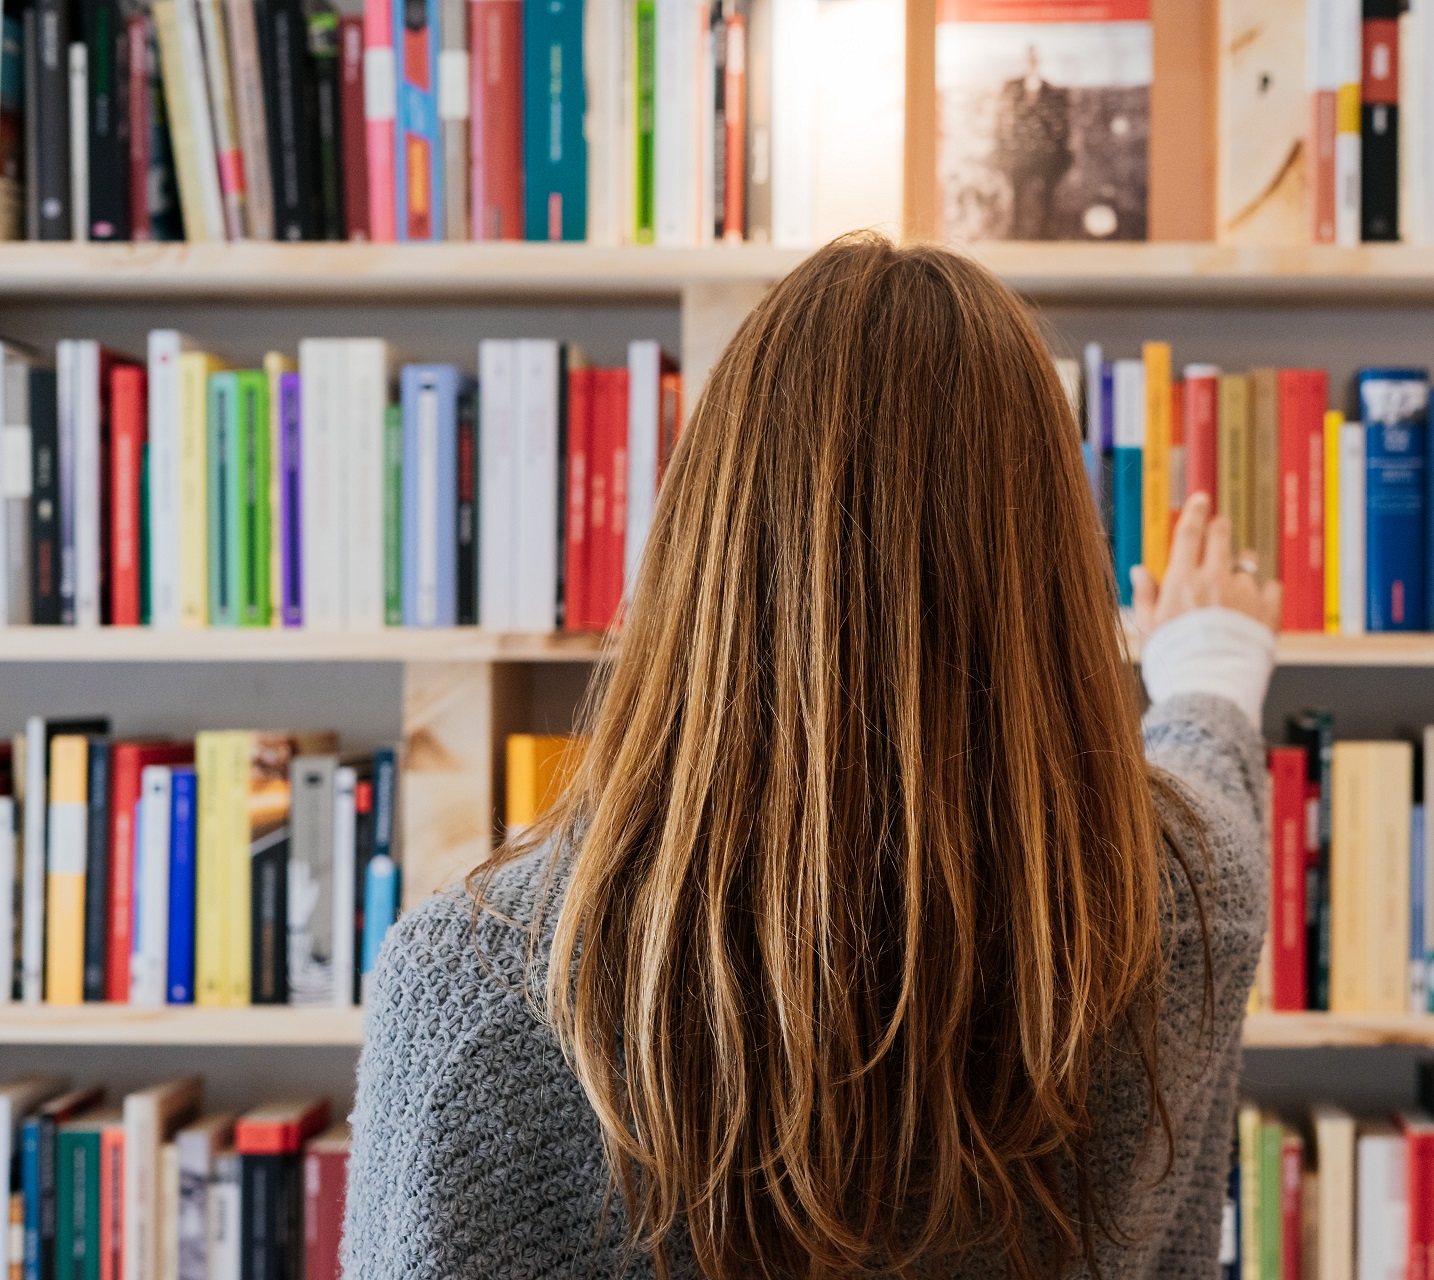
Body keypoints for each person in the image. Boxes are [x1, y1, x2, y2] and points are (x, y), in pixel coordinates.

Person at [343, 235, 1277, 1279]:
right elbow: (1210, 782)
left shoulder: (477, 995)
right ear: (1052, 569)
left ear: (704, 547)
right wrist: (1211, 656)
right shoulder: (1182, 917)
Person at [995, 45, 1072, 239]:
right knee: (1017, 199)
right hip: (1018, 156)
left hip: (1044, 157)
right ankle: (1015, 234)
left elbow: (1060, 126)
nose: (1031, 63)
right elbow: (1003, 121)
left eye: (1034, 59)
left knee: (1046, 200)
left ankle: (1045, 235)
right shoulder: (1012, 88)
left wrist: (1054, 150)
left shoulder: (1051, 91)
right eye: (1028, 59)